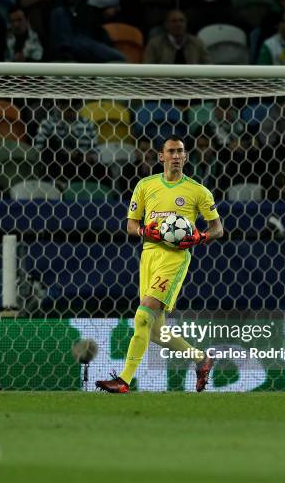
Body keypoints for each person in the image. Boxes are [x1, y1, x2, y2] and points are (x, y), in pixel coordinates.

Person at [96, 135, 224, 393]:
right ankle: (201, 359)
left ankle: (124, 380)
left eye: (180, 152)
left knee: (143, 315)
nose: (176, 156)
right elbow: (131, 225)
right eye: (171, 152)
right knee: (155, 332)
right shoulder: (145, 185)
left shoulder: (198, 191)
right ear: (161, 157)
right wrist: (145, 232)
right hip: (149, 255)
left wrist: (200, 237)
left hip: (174, 258)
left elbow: (218, 229)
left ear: (186, 157)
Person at [143, 9, 210, 64]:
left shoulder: (197, 43)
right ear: (166, 24)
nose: (178, 24)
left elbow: (208, 66)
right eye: (174, 21)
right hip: (165, 80)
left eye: (181, 21)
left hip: (192, 80)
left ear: (186, 23)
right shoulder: (155, 44)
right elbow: (147, 66)